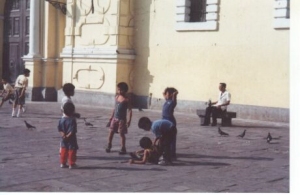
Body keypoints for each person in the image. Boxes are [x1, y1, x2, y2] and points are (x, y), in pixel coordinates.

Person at [106, 82, 132, 155]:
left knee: (121, 134)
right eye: (118, 90)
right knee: (111, 132)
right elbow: (115, 108)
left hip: (122, 120)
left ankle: (123, 147)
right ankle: (109, 145)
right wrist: (111, 117)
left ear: (125, 90)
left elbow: (130, 110)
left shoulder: (126, 100)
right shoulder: (117, 97)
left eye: (121, 90)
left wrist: (129, 120)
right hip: (115, 118)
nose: (119, 91)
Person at [58, 102, 79, 169]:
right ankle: (71, 164)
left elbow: (59, 129)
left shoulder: (61, 120)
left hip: (63, 138)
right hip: (71, 139)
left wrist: (63, 135)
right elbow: (72, 131)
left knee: (64, 150)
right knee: (72, 151)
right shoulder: (72, 120)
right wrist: (68, 136)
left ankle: (63, 163)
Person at [162, 87, 178, 160]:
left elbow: (175, 96)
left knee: (172, 138)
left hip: (170, 120)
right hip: (164, 119)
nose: (165, 95)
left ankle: (172, 153)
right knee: (165, 136)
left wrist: (174, 94)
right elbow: (163, 94)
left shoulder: (172, 102)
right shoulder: (167, 100)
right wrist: (166, 91)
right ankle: (167, 151)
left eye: (167, 94)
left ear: (171, 95)